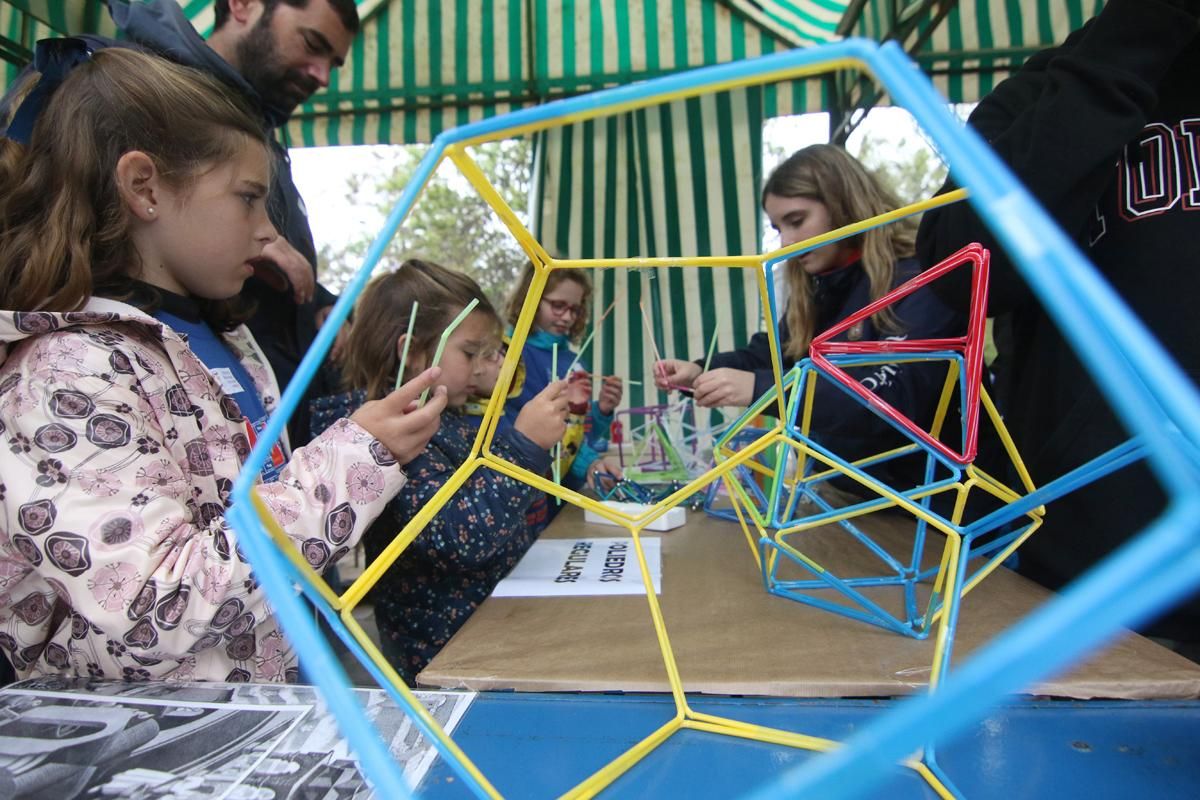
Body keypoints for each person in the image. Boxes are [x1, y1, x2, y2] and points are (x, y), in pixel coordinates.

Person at [0, 47, 446, 682]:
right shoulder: (65, 372)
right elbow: (158, 604)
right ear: (144, 188)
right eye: (247, 198)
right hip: (150, 753)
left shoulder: (223, 338)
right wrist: (355, 461)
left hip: (260, 712)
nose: (270, 231)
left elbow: (247, 512)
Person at [915, 0, 1200, 648]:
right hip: (1111, 592)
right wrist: (1137, 31)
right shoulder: (1047, 91)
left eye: (796, 219)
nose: (792, 238)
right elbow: (964, 274)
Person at [54, 0, 357, 448]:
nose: (322, 76)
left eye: (333, 63)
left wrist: (321, 306)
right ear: (243, 5)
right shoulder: (130, 94)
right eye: (312, 44)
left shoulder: (259, 131)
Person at [655, 144, 967, 489]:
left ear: (843, 204)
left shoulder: (925, 280)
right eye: (777, 228)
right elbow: (772, 354)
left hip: (933, 505)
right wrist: (701, 370)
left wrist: (764, 390)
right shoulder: (817, 290)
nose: (786, 242)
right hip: (847, 495)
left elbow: (883, 403)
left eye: (797, 221)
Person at [338, 260, 570, 684]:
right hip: (440, 659)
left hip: (492, 633)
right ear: (411, 352)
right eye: (471, 352)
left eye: (489, 353)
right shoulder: (393, 432)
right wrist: (524, 445)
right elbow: (462, 535)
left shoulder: (455, 417)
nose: (484, 366)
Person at [502, 264, 623, 496]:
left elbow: (580, 430)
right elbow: (529, 431)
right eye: (558, 306)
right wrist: (588, 461)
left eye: (575, 309)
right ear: (532, 298)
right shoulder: (513, 356)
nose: (567, 317)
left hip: (570, 489)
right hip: (535, 491)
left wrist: (601, 412)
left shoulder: (571, 357)